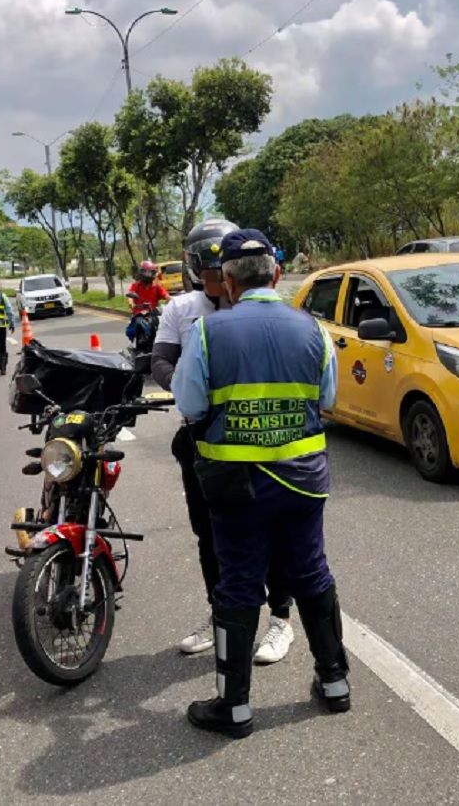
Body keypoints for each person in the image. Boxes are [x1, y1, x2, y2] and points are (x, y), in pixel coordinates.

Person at [171, 228, 349, 738]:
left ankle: (235, 706)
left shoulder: (209, 334)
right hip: (302, 479)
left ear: (226, 282)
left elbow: (190, 406)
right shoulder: (312, 329)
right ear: (275, 273)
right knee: (312, 574)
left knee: (239, 584)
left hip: (237, 486)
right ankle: (334, 684)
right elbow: (329, 400)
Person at [152, 220, 297, 666]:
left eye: (225, 268)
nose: (220, 278)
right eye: (211, 269)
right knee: (210, 533)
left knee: (269, 529)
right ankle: (222, 615)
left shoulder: (260, 310)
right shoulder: (182, 310)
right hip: (202, 440)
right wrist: (184, 383)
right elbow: (160, 360)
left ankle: (279, 618)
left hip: (257, 436)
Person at [125, 260, 170, 347]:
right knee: (132, 329)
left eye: (150, 272)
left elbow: (167, 296)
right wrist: (131, 303)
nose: (148, 275)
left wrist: (175, 300)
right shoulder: (136, 285)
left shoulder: (157, 287)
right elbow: (130, 296)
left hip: (154, 315)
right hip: (139, 314)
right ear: (141, 272)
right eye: (146, 272)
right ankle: (134, 344)